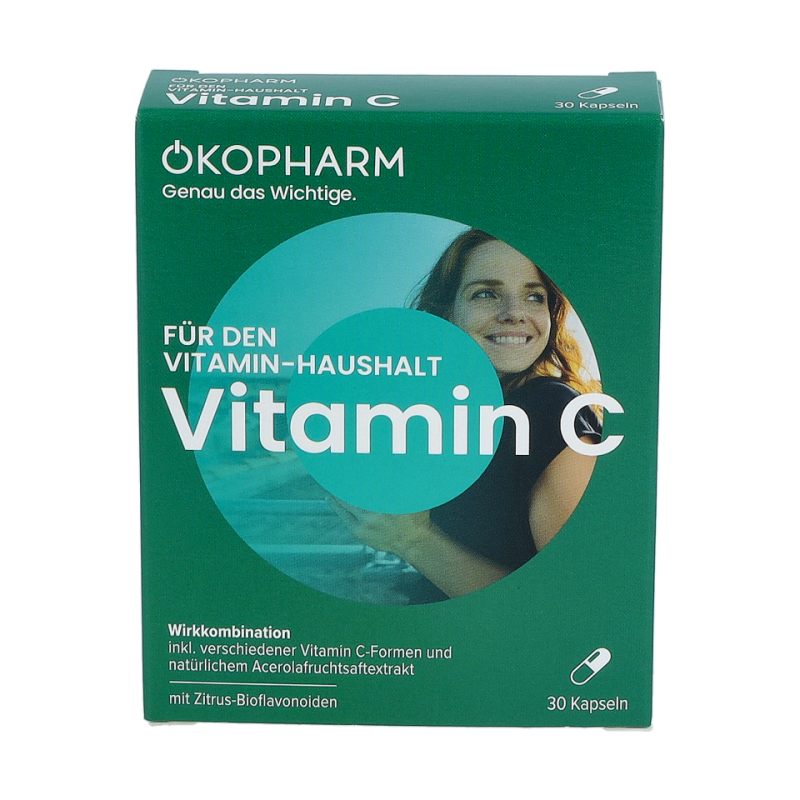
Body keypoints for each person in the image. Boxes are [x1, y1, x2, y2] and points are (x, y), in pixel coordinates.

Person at [332, 229, 601, 601]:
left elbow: (567, 601)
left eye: (533, 296)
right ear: (447, 313)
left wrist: (413, 540)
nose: (515, 313)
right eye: (486, 294)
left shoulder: (553, 411)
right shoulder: (454, 415)